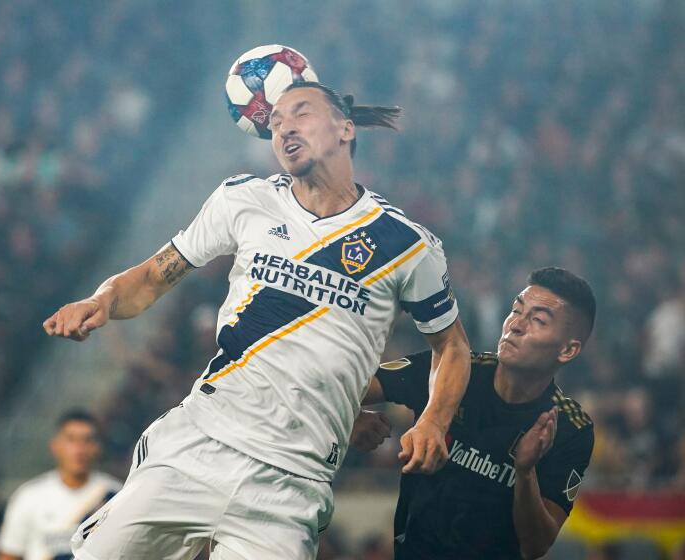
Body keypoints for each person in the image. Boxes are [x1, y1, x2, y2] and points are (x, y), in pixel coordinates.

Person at [43, 81, 471, 559]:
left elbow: (451, 348)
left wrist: (434, 419)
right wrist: (101, 301)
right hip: (197, 445)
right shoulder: (243, 199)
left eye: (300, 113)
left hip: (291, 484)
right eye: (274, 122)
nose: (284, 127)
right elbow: (150, 278)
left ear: (346, 128)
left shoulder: (407, 243)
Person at [353, 267, 596, 559]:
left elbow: (536, 546)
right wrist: (350, 419)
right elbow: (343, 388)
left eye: (538, 320)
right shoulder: (453, 369)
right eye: (516, 310)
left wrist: (525, 471)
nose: (516, 325)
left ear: (568, 350)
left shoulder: (570, 428)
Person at [0, 410, 120, 560]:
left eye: (87, 440)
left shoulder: (116, 496)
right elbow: (9, 555)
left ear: (97, 447)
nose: (79, 449)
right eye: (71, 439)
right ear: (55, 446)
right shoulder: (28, 496)